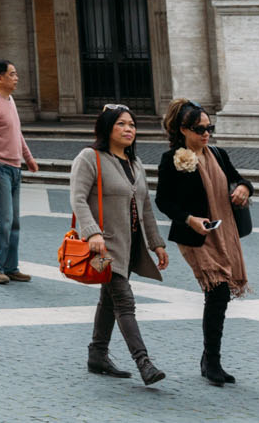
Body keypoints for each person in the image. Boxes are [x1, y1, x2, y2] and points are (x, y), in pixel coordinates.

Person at [154, 98, 252, 386]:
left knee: (219, 295)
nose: (206, 133)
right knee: (218, 291)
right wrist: (188, 219)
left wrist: (245, 188)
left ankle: (210, 358)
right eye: (200, 129)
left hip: (224, 231)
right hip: (195, 235)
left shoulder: (218, 155)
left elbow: (240, 179)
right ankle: (212, 361)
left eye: (210, 128)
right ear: (183, 129)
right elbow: (163, 200)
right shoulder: (172, 159)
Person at [71, 103, 169, 384]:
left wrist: (156, 243)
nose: (129, 129)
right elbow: (78, 198)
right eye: (121, 124)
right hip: (103, 248)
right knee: (124, 301)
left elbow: (146, 206)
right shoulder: (90, 157)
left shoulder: (134, 163)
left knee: (108, 299)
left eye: (132, 125)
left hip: (129, 247)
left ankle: (97, 354)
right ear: (107, 128)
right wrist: (92, 233)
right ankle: (144, 362)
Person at [0, 58, 41, 285]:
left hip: (15, 168)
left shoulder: (10, 99)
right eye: (13, 74)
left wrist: (28, 157)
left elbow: (17, 132)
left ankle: (10, 266)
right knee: (2, 222)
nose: (16, 78)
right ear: (0, 78)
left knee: (14, 222)